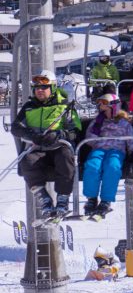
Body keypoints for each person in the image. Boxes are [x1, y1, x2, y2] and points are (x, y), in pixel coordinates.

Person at [11, 70, 82, 221]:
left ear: (53, 87)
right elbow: (16, 127)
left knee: (65, 157)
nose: (40, 91)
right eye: (37, 88)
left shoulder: (64, 106)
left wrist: (59, 135)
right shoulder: (29, 107)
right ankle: (44, 198)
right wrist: (32, 136)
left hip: (58, 146)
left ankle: (62, 198)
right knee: (27, 161)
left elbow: (75, 130)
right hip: (39, 147)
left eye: (44, 87)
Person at [81, 93, 133, 218]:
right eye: (101, 106)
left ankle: (106, 201)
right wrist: (96, 131)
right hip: (99, 148)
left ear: (114, 107)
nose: (102, 108)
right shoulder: (97, 122)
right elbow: (89, 140)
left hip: (116, 150)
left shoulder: (124, 123)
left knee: (112, 167)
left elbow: (131, 138)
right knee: (92, 165)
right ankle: (91, 198)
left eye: (105, 106)